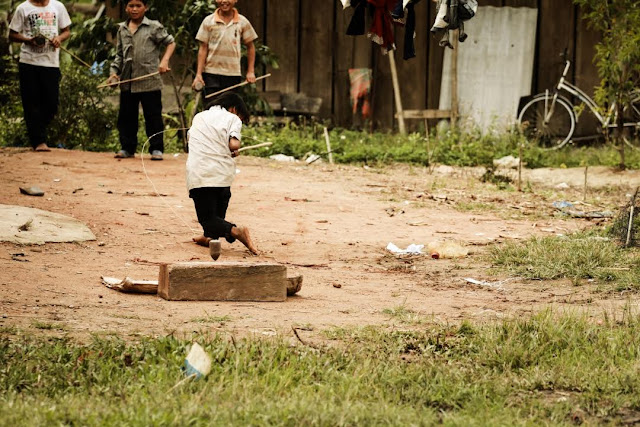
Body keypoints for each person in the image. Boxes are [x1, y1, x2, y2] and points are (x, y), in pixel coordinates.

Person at [186, 92, 258, 258]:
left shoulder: (199, 116)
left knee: (208, 218)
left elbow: (192, 139)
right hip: (223, 177)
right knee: (217, 213)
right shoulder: (233, 118)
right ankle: (209, 236)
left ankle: (236, 231)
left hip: (201, 175)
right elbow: (234, 144)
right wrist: (235, 149)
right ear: (233, 108)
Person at [109, 0, 175, 161]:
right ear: (126, 8)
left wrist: (164, 61)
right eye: (131, 6)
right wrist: (113, 73)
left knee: (153, 117)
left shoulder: (153, 27)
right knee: (126, 117)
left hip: (149, 80)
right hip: (127, 82)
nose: (134, 9)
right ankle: (127, 148)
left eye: (138, 6)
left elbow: (171, 42)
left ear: (146, 7)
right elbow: (119, 55)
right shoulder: (122, 29)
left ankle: (156, 149)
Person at [8, 0, 71, 152]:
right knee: (31, 103)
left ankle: (37, 131)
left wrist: (59, 39)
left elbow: (67, 31)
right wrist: (28, 40)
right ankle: (38, 141)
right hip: (28, 62)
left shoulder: (58, 6)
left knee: (51, 103)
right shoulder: (23, 8)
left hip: (51, 63)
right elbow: (12, 35)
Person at [191, 0, 258, 108]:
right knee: (211, 109)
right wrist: (198, 75)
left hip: (232, 74)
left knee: (229, 111)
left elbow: (250, 47)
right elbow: (203, 48)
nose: (224, 1)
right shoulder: (209, 21)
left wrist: (250, 71)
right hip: (211, 73)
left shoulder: (242, 21)